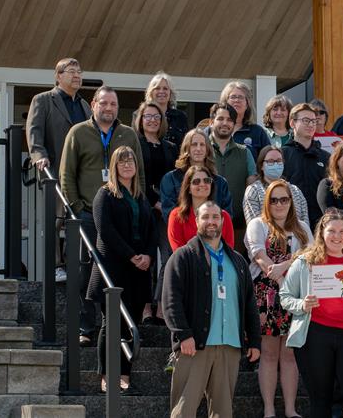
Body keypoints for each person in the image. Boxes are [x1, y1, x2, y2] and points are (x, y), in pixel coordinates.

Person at [59, 85, 145, 346]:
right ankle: (86, 327)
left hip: (121, 217)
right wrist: (75, 208)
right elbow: (66, 175)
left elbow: (139, 173)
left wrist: (137, 207)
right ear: (93, 104)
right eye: (104, 103)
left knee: (122, 271)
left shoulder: (128, 134)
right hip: (86, 214)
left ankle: (122, 328)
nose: (108, 108)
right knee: (85, 273)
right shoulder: (78, 132)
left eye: (113, 104)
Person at [162, 201, 261, 417]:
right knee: (184, 410)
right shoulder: (183, 256)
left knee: (223, 412)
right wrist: (183, 335)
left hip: (230, 346)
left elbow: (249, 304)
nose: (211, 222)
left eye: (216, 217)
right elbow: (171, 300)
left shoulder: (238, 260)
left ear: (223, 221)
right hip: (195, 345)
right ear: (197, 221)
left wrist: (254, 340)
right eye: (205, 217)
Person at [280, 209, 343, 418]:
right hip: (314, 335)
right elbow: (285, 296)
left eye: (342, 231)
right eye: (332, 231)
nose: (337, 237)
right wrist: (301, 305)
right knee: (320, 400)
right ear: (322, 233)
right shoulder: (304, 262)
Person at [85, 146, 157, 393]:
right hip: (114, 268)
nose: (127, 165)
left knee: (132, 323)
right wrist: (131, 255)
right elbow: (105, 231)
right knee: (112, 322)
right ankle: (107, 373)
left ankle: (125, 372)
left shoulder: (141, 197)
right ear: (114, 167)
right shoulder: (104, 195)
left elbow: (151, 231)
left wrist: (147, 254)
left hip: (139, 271)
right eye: (122, 161)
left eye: (131, 161)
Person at [244, 180, 313, 418]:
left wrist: (285, 264)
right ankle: (269, 409)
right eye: (274, 200)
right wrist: (287, 269)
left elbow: (311, 255)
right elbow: (262, 260)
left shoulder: (302, 226)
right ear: (267, 202)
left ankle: (291, 409)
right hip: (267, 295)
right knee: (270, 353)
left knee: (290, 354)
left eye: (284, 199)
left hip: (296, 295)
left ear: (291, 202)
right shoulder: (257, 224)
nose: (279, 204)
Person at [25, 57, 91, 282]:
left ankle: (75, 264)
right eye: (71, 71)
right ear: (58, 76)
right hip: (55, 169)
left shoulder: (84, 105)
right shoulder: (43, 100)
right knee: (56, 219)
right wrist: (39, 157)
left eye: (79, 71)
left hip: (82, 173)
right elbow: (34, 132)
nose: (77, 76)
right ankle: (56, 266)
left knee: (79, 218)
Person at [133, 101, 177, 325]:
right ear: (140, 120)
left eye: (156, 117)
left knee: (168, 257)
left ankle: (160, 305)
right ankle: (144, 309)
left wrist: (166, 203)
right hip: (143, 208)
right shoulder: (135, 144)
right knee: (145, 259)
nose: (152, 120)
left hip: (166, 210)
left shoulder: (170, 147)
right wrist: (153, 201)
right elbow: (135, 177)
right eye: (147, 116)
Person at [208, 102, 258, 252]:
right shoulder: (202, 150)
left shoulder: (244, 152)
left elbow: (252, 185)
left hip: (238, 226)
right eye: (220, 118)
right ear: (211, 122)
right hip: (206, 224)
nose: (225, 123)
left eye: (230, 120)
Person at [159, 128, 233, 222]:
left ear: (207, 150)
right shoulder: (170, 179)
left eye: (202, 145)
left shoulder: (221, 182)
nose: (198, 149)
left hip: (214, 234)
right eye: (194, 144)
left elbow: (226, 218)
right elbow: (170, 216)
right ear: (187, 149)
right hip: (182, 234)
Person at [282, 103, 331, 228]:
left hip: (320, 224)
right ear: (292, 123)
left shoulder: (326, 157)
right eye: (306, 120)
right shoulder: (282, 154)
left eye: (314, 121)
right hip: (290, 222)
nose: (311, 125)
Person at [167, 165, 235, 252]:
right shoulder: (176, 215)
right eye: (196, 182)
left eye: (207, 181)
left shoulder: (224, 216)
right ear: (189, 188)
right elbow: (178, 252)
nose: (202, 184)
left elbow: (229, 250)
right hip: (187, 264)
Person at [242, 145, 309, 225]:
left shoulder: (295, 191)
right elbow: (254, 225)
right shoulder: (253, 191)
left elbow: (304, 224)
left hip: (295, 236)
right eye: (270, 161)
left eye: (279, 161)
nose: (275, 164)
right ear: (261, 166)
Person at [220, 81, 271, 160]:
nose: (237, 100)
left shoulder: (257, 132)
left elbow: (268, 161)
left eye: (241, 97)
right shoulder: (212, 130)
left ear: (247, 104)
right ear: (225, 102)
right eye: (233, 97)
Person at [144, 72, 189, 149]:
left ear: (170, 92)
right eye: (157, 88)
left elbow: (186, 145)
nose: (161, 91)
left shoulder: (180, 117)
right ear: (151, 92)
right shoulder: (140, 114)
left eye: (165, 88)